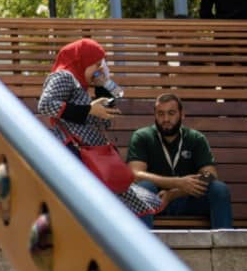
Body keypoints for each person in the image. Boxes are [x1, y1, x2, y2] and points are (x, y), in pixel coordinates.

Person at [36, 38, 161, 218]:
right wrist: (89, 109)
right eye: (95, 64)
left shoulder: (84, 86)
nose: (99, 69)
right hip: (74, 154)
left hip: (93, 155)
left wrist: (104, 87)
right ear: (82, 61)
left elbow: (107, 118)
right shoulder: (64, 76)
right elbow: (45, 105)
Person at [127, 93, 233, 229]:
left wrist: (174, 193)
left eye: (171, 113)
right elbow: (135, 174)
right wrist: (177, 182)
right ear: (155, 115)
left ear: (182, 115)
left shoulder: (196, 138)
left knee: (219, 189)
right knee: (143, 188)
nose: (166, 119)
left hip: (186, 199)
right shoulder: (142, 136)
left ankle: (224, 246)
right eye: (160, 114)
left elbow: (210, 175)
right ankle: (140, 245)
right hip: (154, 200)